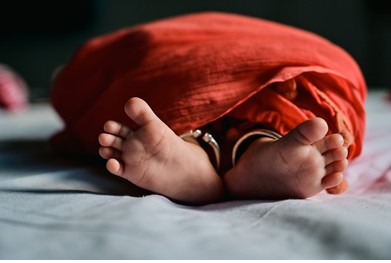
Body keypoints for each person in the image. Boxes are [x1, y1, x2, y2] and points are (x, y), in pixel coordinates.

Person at [50, 12, 366, 205]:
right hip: (287, 70)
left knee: (181, 106)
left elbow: (76, 83)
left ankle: (191, 147)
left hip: (166, 71)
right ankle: (260, 145)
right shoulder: (282, 35)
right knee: (283, 104)